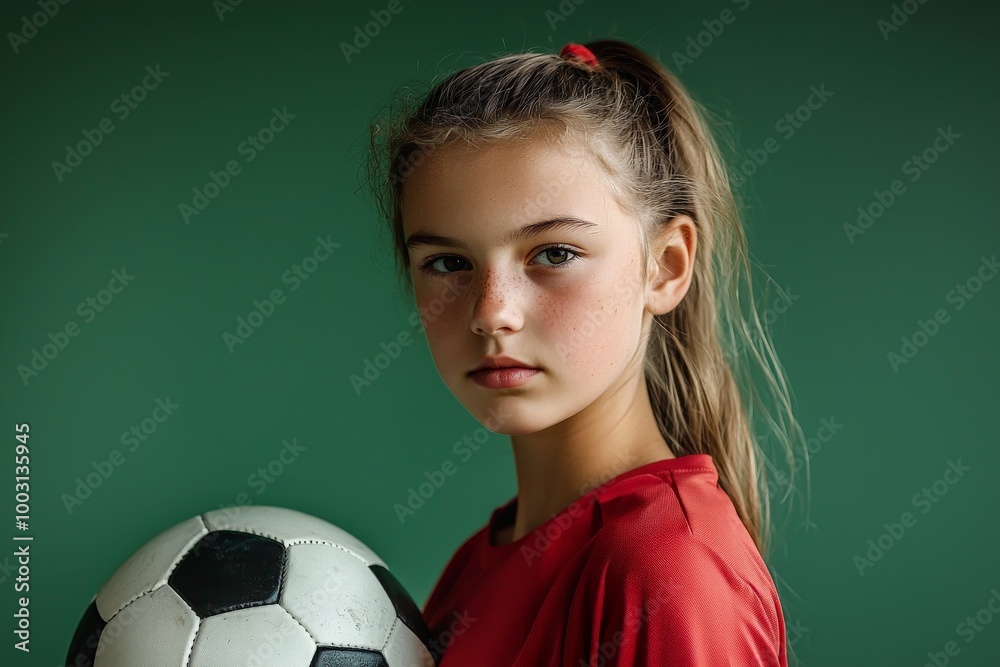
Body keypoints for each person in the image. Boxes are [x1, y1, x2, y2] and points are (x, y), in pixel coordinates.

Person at [366, 39, 808, 667]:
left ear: (665, 267)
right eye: (447, 263)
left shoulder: (667, 572)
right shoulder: (477, 564)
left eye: (553, 254)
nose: (492, 311)